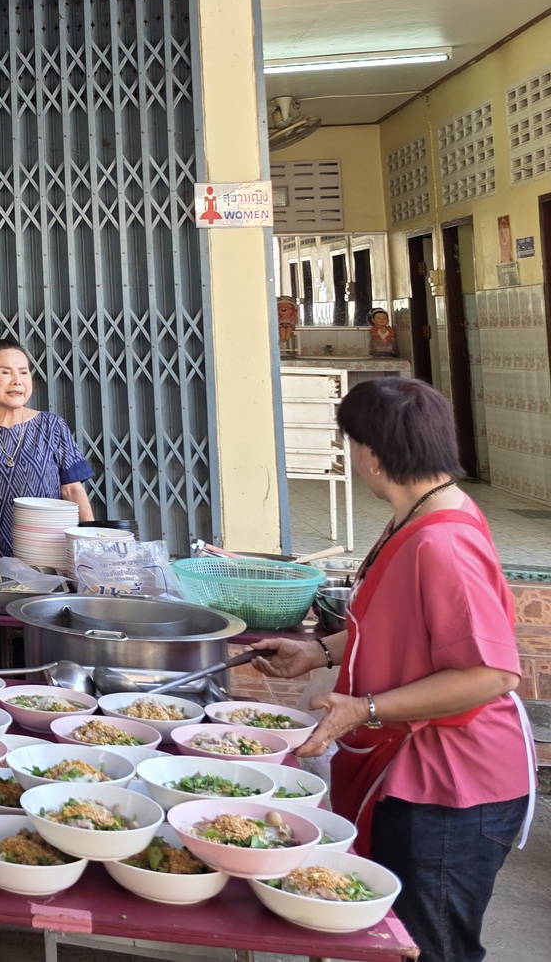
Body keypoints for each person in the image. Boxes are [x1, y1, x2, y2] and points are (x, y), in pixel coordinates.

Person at [250, 377, 530, 962]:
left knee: (429, 949)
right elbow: (400, 622)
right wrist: (322, 650)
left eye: (351, 443)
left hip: (453, 789)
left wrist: (364, 708)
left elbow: (491, 674)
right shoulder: (420, 510)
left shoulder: (442, 542)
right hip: (412, 773)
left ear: (373, 455)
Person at [0, 336, 94, 563]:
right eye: (5, 372)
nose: (17, 380)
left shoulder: (52, 426)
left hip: (52, 559)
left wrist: (90, 541)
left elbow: (72, 490)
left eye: (23, 372)